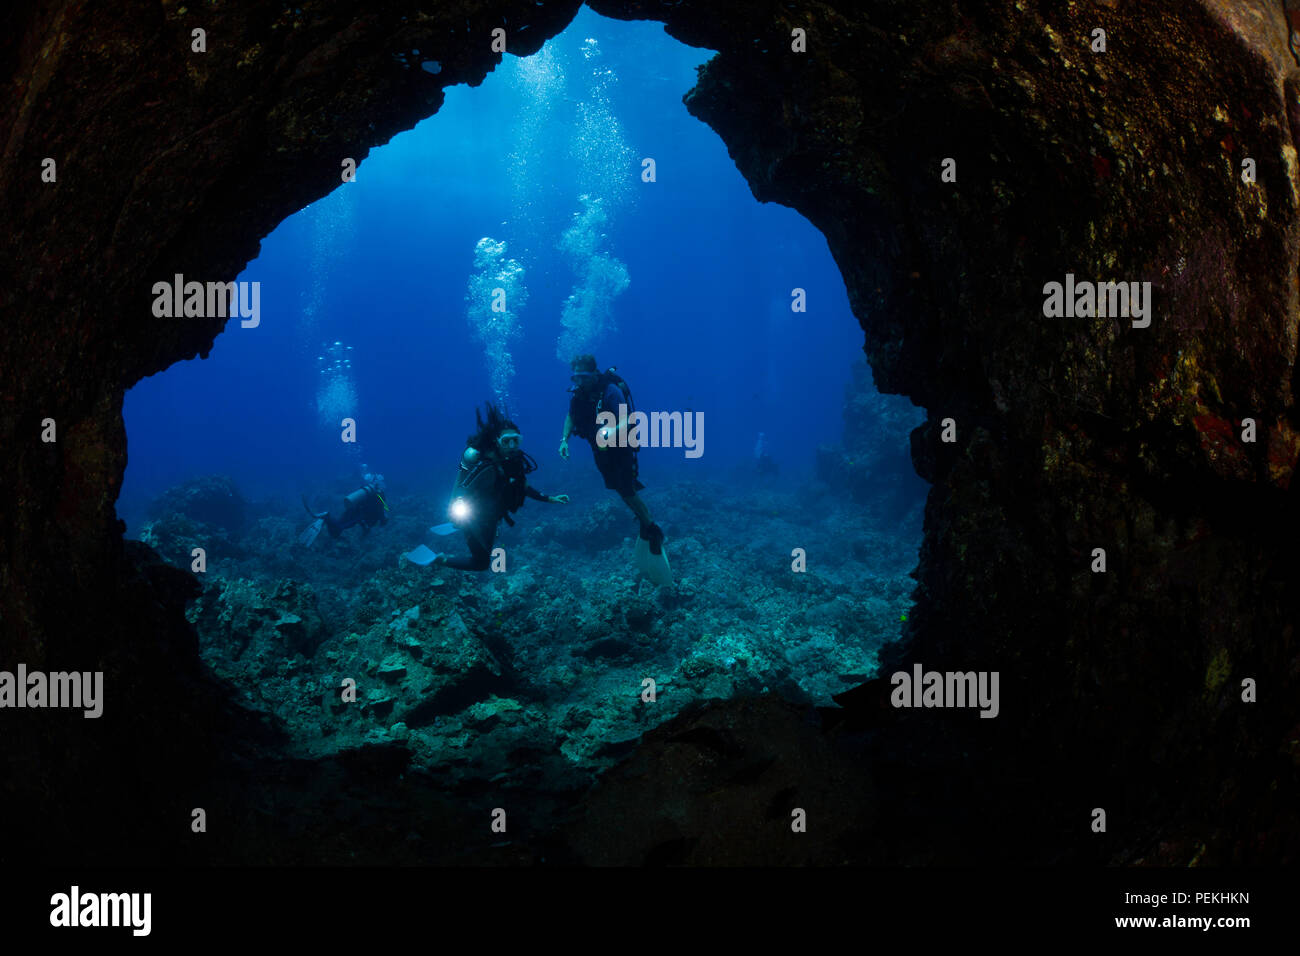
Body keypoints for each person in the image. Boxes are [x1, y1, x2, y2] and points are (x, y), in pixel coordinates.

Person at [431, 404, 568, 571]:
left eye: (515, 440)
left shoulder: (514, 461)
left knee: (482, 561)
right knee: (480, 564)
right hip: (475, 516)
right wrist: (456, 513)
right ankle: (440, 559)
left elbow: (523, 487)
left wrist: (549, 498)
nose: (511, 446)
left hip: (492, 516)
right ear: (497, 441)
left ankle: (448, 551)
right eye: (506, 441)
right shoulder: (487, 466)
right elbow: (463, 489)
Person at [559, 354, 663, 551]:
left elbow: (626, 419)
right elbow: (571, 416)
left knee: (626, 488)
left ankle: (651, 526)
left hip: (620, 446)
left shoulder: (610, 391)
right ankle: (642, 517)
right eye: (576, 377)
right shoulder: (578, 393)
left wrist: (611, 432)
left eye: (583, 376)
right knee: (617, 486)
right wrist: (564, 440)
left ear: (593, 373)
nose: (579, 381)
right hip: (599, 448)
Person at [300, 471, 389, 547]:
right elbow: (380, 514)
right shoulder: (379, 497)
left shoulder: (371, 493)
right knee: (338, 529)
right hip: (357, 514)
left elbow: (366, 515)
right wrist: (384, 520)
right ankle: (326, 516)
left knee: (337, 530)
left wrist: (364, 529)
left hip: (353, 511)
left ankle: (327, 518)